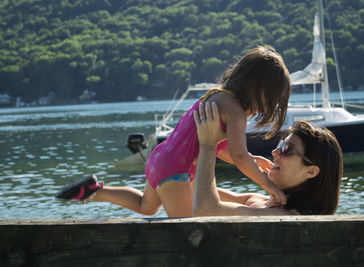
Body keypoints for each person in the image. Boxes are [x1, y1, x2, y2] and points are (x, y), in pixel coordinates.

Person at [56, 45, 292, 217]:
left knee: (146, 207)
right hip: (175, 170)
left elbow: (223, 151)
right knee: (188, 227)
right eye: (268, 100)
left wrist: (253, 159)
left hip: (160, 158)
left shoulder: (216, 96)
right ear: (256, 87)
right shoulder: (236, 111)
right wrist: (269, 186)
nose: (264, 107)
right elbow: (239, 157)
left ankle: (93, 191)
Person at [192, 102, 343, 215]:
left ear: (311, 171)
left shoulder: (282, 216)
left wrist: (208, 144)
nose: (275, 152)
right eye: (281, 144)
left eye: (287, 149)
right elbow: (193, 190)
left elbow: (205, 207)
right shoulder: (259, 201)